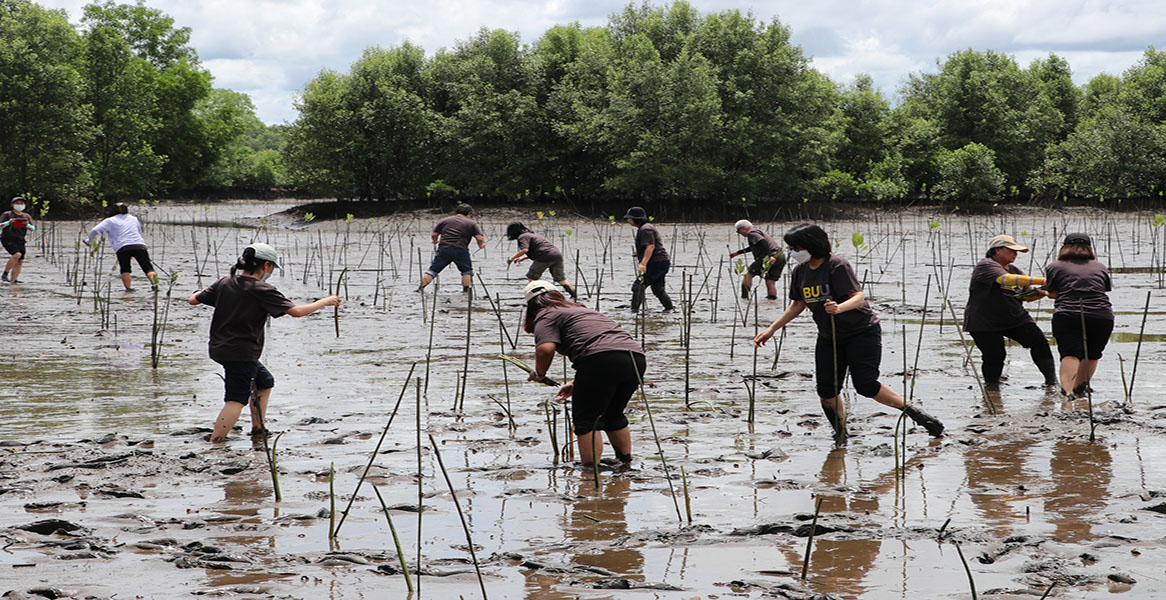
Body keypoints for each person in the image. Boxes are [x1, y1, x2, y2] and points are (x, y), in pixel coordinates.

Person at [753, 224, 943, 445]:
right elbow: (798, 304)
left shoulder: (837, 265)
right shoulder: (800, 271)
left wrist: (839, 308)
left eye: (797, 248)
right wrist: (772, 329)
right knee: (826, 392)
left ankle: (915, 413)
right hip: (829, 336)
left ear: (813, 246)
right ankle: (841, 435)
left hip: (861, 332)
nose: (794, 253)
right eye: (791, 248)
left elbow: (858, 297)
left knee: (866, 386)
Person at [188, 242, 341, 442]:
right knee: (236, 399)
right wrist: (324, 301)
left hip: (220, 348)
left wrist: (202, 291)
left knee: (264, 381)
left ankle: (258, 429)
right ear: (266, 265)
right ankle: (216, 442)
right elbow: (296, 312)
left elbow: (193, 300)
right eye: (272, 267)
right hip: (241, 352)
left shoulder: (225, 282)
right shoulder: (262, 289)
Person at [523, 280, 646, 467]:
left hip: (600, 361)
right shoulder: (582, 310)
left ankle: (590, 471)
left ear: (531, 306)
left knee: (587, 420)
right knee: (613, 414)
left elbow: (545, 349)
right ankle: (624, 462)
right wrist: (576, 382)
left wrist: (539, 374)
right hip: (635, 358)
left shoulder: (545, 314)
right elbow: (603, 344)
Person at [963, 234, 1058, 391]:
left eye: (1016, 251)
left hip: (1014, 318)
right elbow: (1005, 280)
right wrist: (1044, 281)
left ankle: (1051, 382)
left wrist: (1045, 291)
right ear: (997, 250)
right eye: (1011, 250)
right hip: (984, 320)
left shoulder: (1015, 270)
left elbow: (1026, 296)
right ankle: (992, 388)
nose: (1015, 254)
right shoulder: (986, 265)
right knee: (995, 355)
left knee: (1039, 342)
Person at [1044, 233, 1113, 398]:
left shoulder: (1055, 267)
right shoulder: (1100, 266)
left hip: (1068, 314)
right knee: (1093, 354)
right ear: (1089, 249)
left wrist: (1042, 293)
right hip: (1101, 315)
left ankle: (1067, 393)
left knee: (1070, 354)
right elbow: (1103, 289)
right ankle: (1080, 390)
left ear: (1064, 248)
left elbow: (1053, 294)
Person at [83, 202, 157, 292]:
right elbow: (139, 232)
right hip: (139, 245)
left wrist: (88, 241)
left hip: (122, 247)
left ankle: (128, 289)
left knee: (125, 269)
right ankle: (155, 285)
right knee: (148, 268)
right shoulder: (133, 219)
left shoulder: (110, 220)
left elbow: (95, 230)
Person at [419, 204, 485, 293]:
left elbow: (434, 234)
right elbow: (479, 238)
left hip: (444, 249)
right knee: (466, 272)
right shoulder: (471, 223)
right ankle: (466, 292)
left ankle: (420, 289)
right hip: (461, 250)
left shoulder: (444, 220)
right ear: (469, 213)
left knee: (432, 271)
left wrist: (435, 241)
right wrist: (481, 245)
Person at [506, 222, 577, 299]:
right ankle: (574, 296)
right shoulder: (533, 235)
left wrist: (511, 259)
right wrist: (522, 258)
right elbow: (540, 249)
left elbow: (525, 250)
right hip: (557, 255)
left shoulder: (522, 237)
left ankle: (538, 297)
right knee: (561, 279)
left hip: (544, 256)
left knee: (532, 277)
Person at [624, 206, 673, 312]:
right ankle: (669, 309)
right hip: (662, 262)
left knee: (638, 286)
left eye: (629, 218)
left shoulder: (645, 229)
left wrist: (643, 263)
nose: (627, 220)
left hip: (655, 263)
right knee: (658, 289)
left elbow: (650, 246)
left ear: (635, 219)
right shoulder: (646, 228)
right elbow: (650, 245)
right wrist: (639, 252)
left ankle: (634, 312)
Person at [728, 219, 787, 300]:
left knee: (748, 274)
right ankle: (772, 300)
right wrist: (738, 253)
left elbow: (763, 242)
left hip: (769, 256)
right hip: (780, 255)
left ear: (742, 229)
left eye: (738, 231)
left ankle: (744, 298)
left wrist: (770, 256)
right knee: (770, 280)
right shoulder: (757, 231)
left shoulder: (751, 233)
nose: (740, 234)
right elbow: (754, 246)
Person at [1, 196, 35, 284]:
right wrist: (9, 222)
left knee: (20, 261)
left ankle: (13, 281)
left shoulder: (26, 216)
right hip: (8, 238)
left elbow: (32, 228)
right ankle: (5, 273)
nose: (19, 205)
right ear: (12, 204)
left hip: (20, 239)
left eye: (21, 203)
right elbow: (0, 226)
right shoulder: (7, 214)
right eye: (17, 203)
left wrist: (26, 224)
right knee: (17, 254)